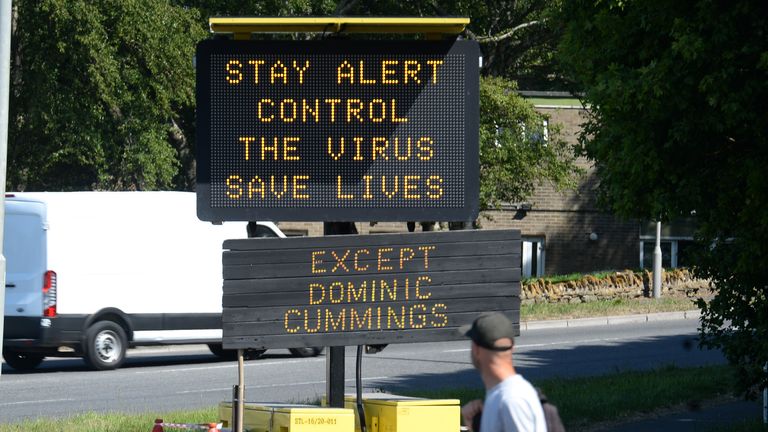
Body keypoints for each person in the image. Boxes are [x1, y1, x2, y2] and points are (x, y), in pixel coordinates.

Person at [460, 312, 547, 432]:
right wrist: (474, 427)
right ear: (512, 348)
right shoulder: (504, 395)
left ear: (476, 349)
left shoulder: (511, 400)